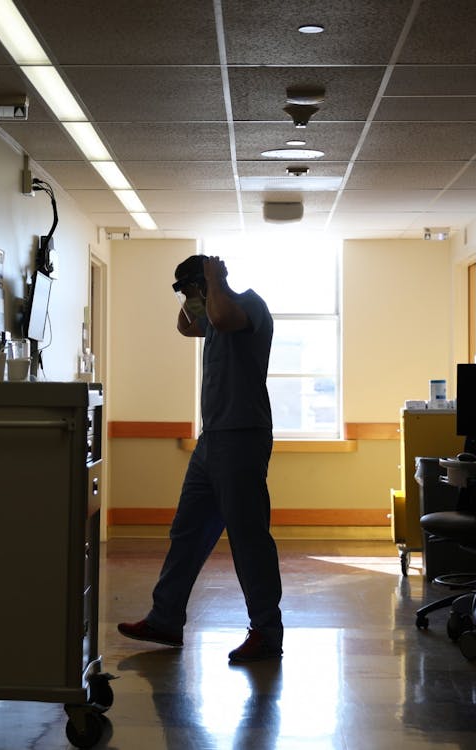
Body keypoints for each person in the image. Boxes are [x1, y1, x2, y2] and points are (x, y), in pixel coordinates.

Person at [117, 254, 284, 662]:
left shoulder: (248, 304)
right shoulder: (212, 312)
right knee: (187, 531)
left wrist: (214, 277)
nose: (193, 296)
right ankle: (165, 618)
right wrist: (192, 293)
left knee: (248, 539)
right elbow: (188, 327)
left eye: (194, 286)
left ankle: (266, 632)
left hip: (242, 437)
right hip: (212, 441)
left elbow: (223, 317)